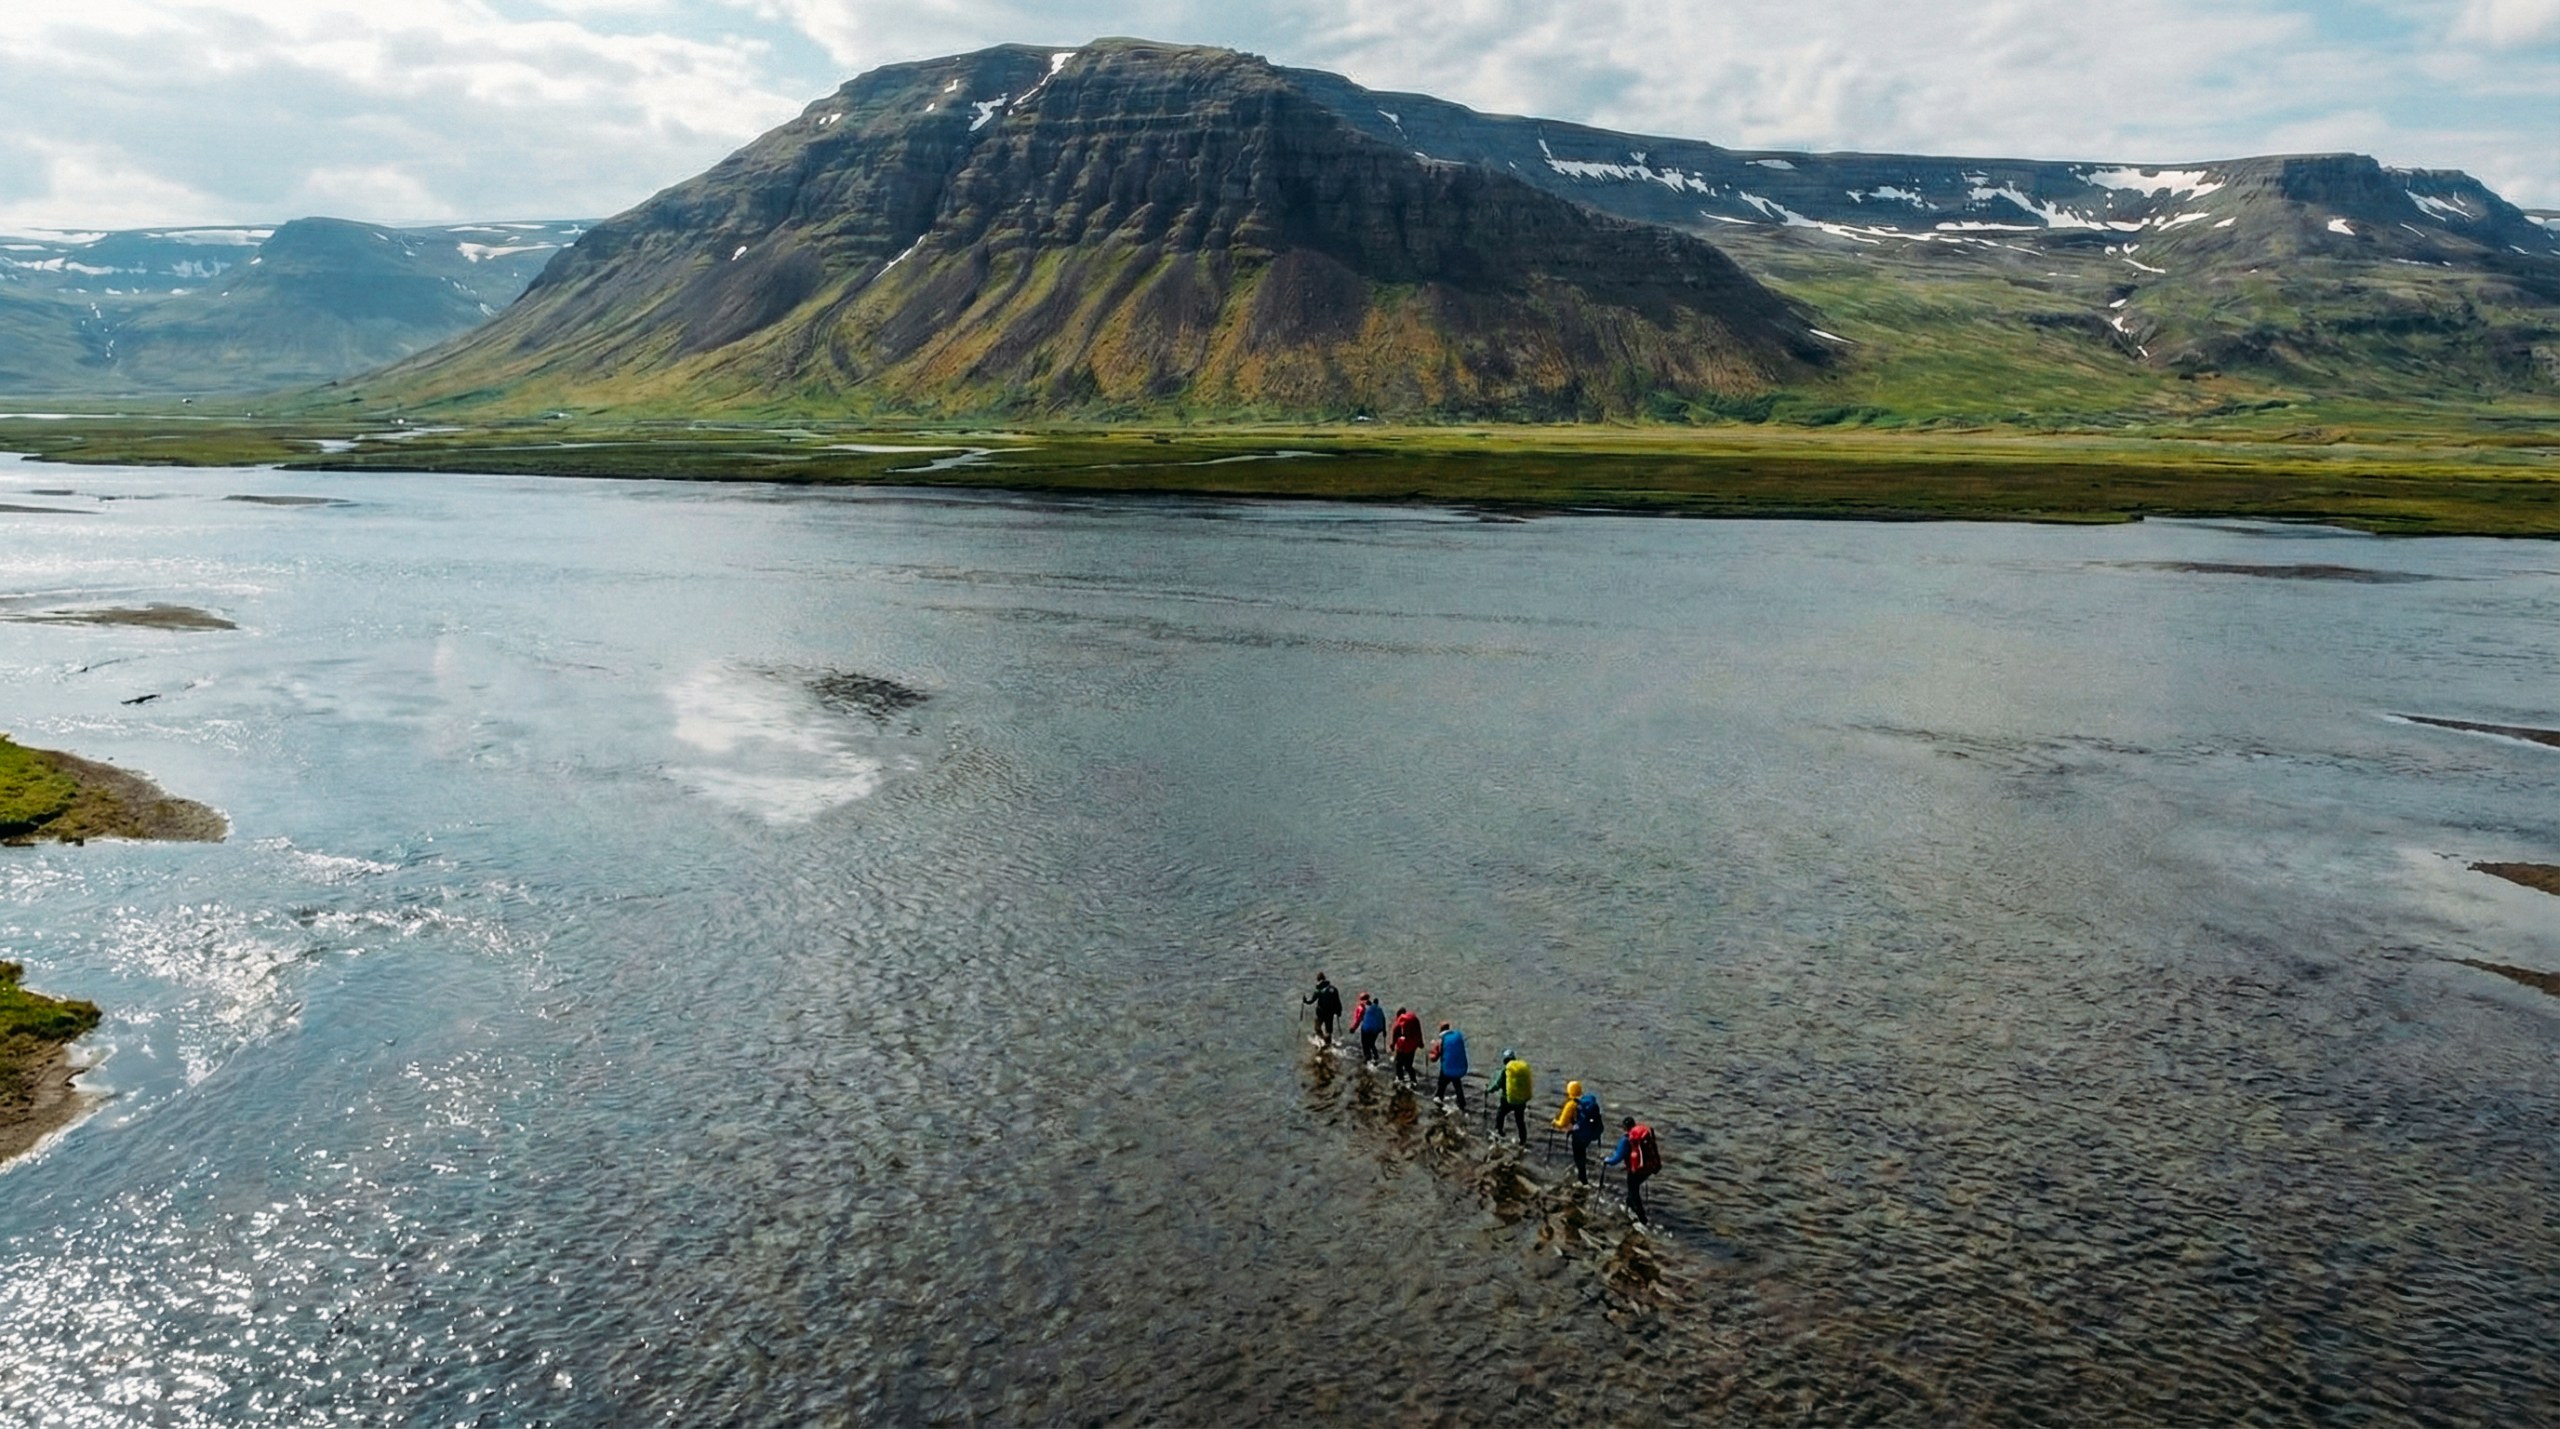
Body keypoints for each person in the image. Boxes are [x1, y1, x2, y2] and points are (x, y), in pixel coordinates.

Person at [1603, 1117, 1661, 1223]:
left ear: (1625, 1127)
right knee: (1633, 1189)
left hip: (1636, 1171)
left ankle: (1641, 1218)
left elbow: (1616, 1158)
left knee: (1634, 1191)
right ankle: (1630, 1206)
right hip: (1648, 1168)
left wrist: (1607, 1161)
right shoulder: (1643, 1136)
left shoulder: (1627, 1139)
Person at [1553, 1080, 1604, 1183]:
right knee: (1582, 1151)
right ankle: (1584, 1169)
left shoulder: (1571, 1104)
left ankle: (1582, 1180)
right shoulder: (1587, 1102)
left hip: (1579, 1136)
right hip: (1591, 1134)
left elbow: (1562, 1123)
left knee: (1578, 1157)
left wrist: (1554, 1122)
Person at [1492, 1049, 1533, 1146]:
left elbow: (1497, 1085)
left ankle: (1499, 1133)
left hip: (1508, 1101)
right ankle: (1523, 1140)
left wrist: (1489, 1090)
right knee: (1520, 1121)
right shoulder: (1521, 1072)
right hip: (1521, 1102)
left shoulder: (1505, 1071)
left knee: (1500, 1115)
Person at [1429, 1022, 1469, 1111]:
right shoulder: (1457, 1036)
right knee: (1457, 1084)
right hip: (1459, 1068)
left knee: (1441, 1085)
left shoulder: (1441, 1041)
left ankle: (1439, 1099)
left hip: (1447, 1069)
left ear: (1441, 1030)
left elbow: (1434, 1058)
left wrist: (1430, 1054)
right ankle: (1462, 1103)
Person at [1389, 1007, 1424, 1086]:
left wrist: (1392, 1045)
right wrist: (1420, 1043)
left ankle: (1400, 1078)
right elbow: (1418, 1033)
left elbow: (1395, 1033)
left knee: (1398, 1064)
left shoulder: (1399, 1022)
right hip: (1412, 1046)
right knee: (1408, 1065)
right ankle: (1413, 1080)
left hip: (1402, 1047)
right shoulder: (1414, 1020)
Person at [1303, 974, 1342, 1045]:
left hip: (1320, 1013)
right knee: (1329, 1030)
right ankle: (1328, 1043)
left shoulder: (1318, 990)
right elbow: (1338, 1002)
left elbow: (1311, 1001)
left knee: (1317, 1028)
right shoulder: (1334, 989)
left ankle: (1322, 1039)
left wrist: (1305, 1001)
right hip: (1330, 1013)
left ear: (1318, 980)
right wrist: (1339, 1012)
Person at [1352, 994, 1386, 1065]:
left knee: (1365, 1043)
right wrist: (1384, 1030)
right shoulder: (1379, 1009)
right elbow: (1383, 1019)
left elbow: (1358, 1020)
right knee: (1371, 1043)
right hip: (1377, 1029)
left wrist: (1353, 1028)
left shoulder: (1364, 1008)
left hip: (1367, 1029)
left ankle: (1367, 1057)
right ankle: (1376, 1056)